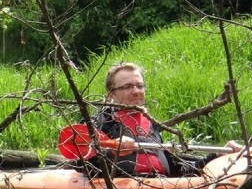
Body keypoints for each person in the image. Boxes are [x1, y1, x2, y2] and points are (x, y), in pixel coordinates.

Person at [85, 62, 224, 177]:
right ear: (111, 94)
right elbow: (81, 163)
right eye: (127, 87)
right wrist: (111, 152)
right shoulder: (100, 122)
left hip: (159, 188)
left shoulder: (150, 124)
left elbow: (179, 171)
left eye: (139, 86)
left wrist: (217, 155)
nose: (136, 91)